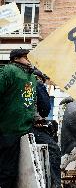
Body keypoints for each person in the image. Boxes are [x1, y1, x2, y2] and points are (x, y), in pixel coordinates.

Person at [0, 49, 37, 188]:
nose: (29, 60)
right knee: (7, 170)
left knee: (16, 170)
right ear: (16, 58)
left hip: (25, 129)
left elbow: (32, 102)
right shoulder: (8, 71)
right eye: (26, 57)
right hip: (8, 129)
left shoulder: (31, 76)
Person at [31, 70, 62, 188]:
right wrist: (37, 118)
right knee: (53, 148)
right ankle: (56, 184)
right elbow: (45, 109)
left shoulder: (19, 82)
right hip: (26, 126)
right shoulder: (37, 84)